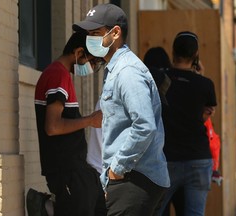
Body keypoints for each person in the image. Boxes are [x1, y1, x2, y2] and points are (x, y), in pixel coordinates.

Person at [73, 3, 170, 216]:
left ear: (115, 32)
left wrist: (117, 168)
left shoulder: (128, 72)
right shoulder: (116, 69)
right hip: (130, 177)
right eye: (89, 34)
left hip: (135, 177)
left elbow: (144, 126)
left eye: (96, 33)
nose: (90, 39)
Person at [34, 31, 107, 216]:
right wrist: (90, 120)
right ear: (79, 52)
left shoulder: (60, 75)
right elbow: (53, 126)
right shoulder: (57, 75)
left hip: (78, 171)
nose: (91, 67)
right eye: (91, 61)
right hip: (68, 172)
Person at [158, 31, 217, 216]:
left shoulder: (160, 79)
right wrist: (199, 76)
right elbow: (203, 116)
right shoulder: (205, 84)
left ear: (173, 51)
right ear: (196, 55)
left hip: (167, 159)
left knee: (155, 210)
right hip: (198, 158)